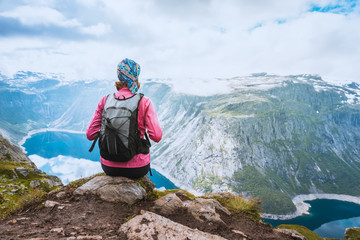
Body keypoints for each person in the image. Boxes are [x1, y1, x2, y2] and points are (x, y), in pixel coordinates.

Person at [86, 58, 162, 179]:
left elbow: (90, 134)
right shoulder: (144, 101)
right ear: (136, 75)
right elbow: (156, 136)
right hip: (137, 168)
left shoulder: (105, 100)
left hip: (108, 166)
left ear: (119, 76)